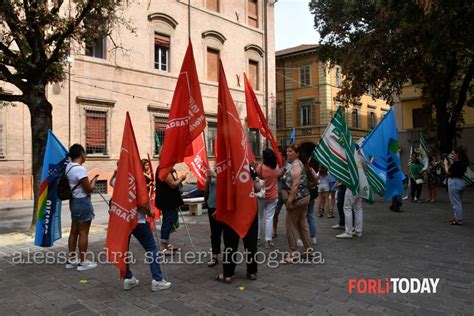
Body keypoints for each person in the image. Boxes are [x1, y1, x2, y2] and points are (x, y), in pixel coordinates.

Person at [109, 167, 171, 291]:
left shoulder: (118, 181)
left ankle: (128, 279)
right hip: (138, 220)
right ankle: (157, 280)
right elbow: (141, 204)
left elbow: (111, 182)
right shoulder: (136, 182)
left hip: (122, 220)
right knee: (151, 248)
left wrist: (116, 172)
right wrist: (150, 212)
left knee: (124, 250)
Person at [216, 165, 259, 283]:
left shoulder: (224, 166)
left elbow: (221, 191)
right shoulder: (249, 167)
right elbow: (258, 188)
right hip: (249, 209)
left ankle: (228, 274)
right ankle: (252, 272)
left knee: (230, 243)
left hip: (231, 210)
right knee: (251, 242)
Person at [65, 144, 98, 271]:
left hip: (74, 201)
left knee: (74, 231)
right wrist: (94, 181)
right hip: (82, 201)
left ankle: (72, 259)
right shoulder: (79, 169)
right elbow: (88, 189)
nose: (86, 156)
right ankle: (83, 262)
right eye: (85, 153)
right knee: (84, 232)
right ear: (81, 154)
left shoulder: (68, 167)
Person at [282, 144, 313, 262]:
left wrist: (289, 200)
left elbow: (295, 184)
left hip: (298, 200)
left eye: (290, 151)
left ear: (297, 153)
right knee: (301, 224)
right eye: (287, 151)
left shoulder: (296, 165)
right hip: (304, 198)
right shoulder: (296, 164)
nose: (287, 153)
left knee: (290, 225)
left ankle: (293, 253)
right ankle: (309, 250)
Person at [155, 167, 187, 255]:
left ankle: (166, 243)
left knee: (169, 221)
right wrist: (181, 178)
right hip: (167, 200)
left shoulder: (167, 169)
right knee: (168, 221)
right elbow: (172, 184)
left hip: (169, 200)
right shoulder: (163, 169)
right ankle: (163, 245)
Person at [256, 149, 279, 249]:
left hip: (262, 196)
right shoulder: (276, 167)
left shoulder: (260, 167)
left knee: (259, 217)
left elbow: (256, 178)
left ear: (264, 157)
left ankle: (257, 239)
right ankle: (268, 240)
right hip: (273, 196)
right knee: (269, 218)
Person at [445, 147, 469, 225]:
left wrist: (445, 164)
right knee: (457, 201)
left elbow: (448, 172)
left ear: (457, 154)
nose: (451, 155)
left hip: (454, 182)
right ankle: (457, 218)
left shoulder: (456, 163)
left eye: (453, 154)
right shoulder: (461, 162)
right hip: (460, 181)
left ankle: (458, 219)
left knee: (455, 203)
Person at [204, 168, 222, 267]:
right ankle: (215, 255)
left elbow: (227, 183)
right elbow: (206, 189)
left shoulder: (227, 169)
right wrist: (207, 180)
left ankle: (230, 256)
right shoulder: (214, 170)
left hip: (224, 207)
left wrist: (215, 175)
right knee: (215, 233)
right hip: (212, 205)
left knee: (228, 233)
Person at [272, 159, 290, 238]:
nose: (279, 159)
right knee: (275, 213)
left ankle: (289, 230)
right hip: (278, 193)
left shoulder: (290, 167)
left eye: (281, 157)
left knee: (289, 213)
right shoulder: (275, 167)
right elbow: (273, 178)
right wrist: (279, 174)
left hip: (287, 193)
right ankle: (274, 230)